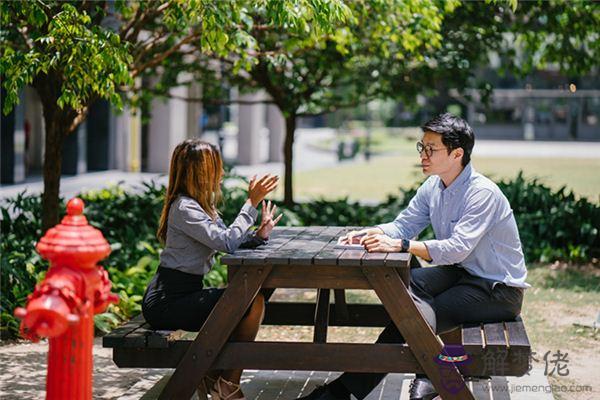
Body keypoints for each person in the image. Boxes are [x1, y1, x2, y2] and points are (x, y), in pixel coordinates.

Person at [298, 113, 529, 400]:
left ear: (457, 154)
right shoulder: (434, 186)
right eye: (422, 147)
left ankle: (345, 392)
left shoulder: (481, 194)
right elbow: (403, 225)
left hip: (497, 289)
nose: (424, 155)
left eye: (431, 149)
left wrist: (402, 245)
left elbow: (456, 247)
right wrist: (369, 232)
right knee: (407, 288)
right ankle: (429, 373)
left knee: (412, 318)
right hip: (461, 273)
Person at [142, 139, 281, 400]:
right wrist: (250, 204)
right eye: (216, 167)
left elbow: (228, 238)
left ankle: (217, 376)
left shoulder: (200, 206)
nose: (221, 174)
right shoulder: (184, 208)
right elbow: (226, 242)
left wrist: (258, 236)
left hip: (183, 293)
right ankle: (226, 383)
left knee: (252, 298)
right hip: (167, 301)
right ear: (200, 171)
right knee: (253, 302)